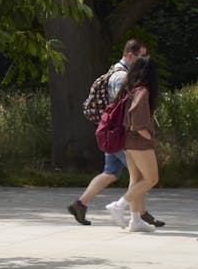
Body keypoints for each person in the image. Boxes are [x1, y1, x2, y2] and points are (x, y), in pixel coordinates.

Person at [66, 39, 163, 228]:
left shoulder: (117, 72)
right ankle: (138, 214)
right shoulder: (121, 77)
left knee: (112, 173)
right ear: (129, 55)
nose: (144, 60)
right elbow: (129, 109)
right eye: (141, 56)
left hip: (117, 132)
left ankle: (80, 204)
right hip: (123, 133)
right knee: (142, 177)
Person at [119, 55, 160, 233]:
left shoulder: (130, 89)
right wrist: (150, 138)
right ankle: (119, 205)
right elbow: (138, 122)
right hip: (139, 142)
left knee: (135, 179)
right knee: (151, 179)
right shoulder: (143, 91)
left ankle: (135, 220)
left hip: (127, 141)